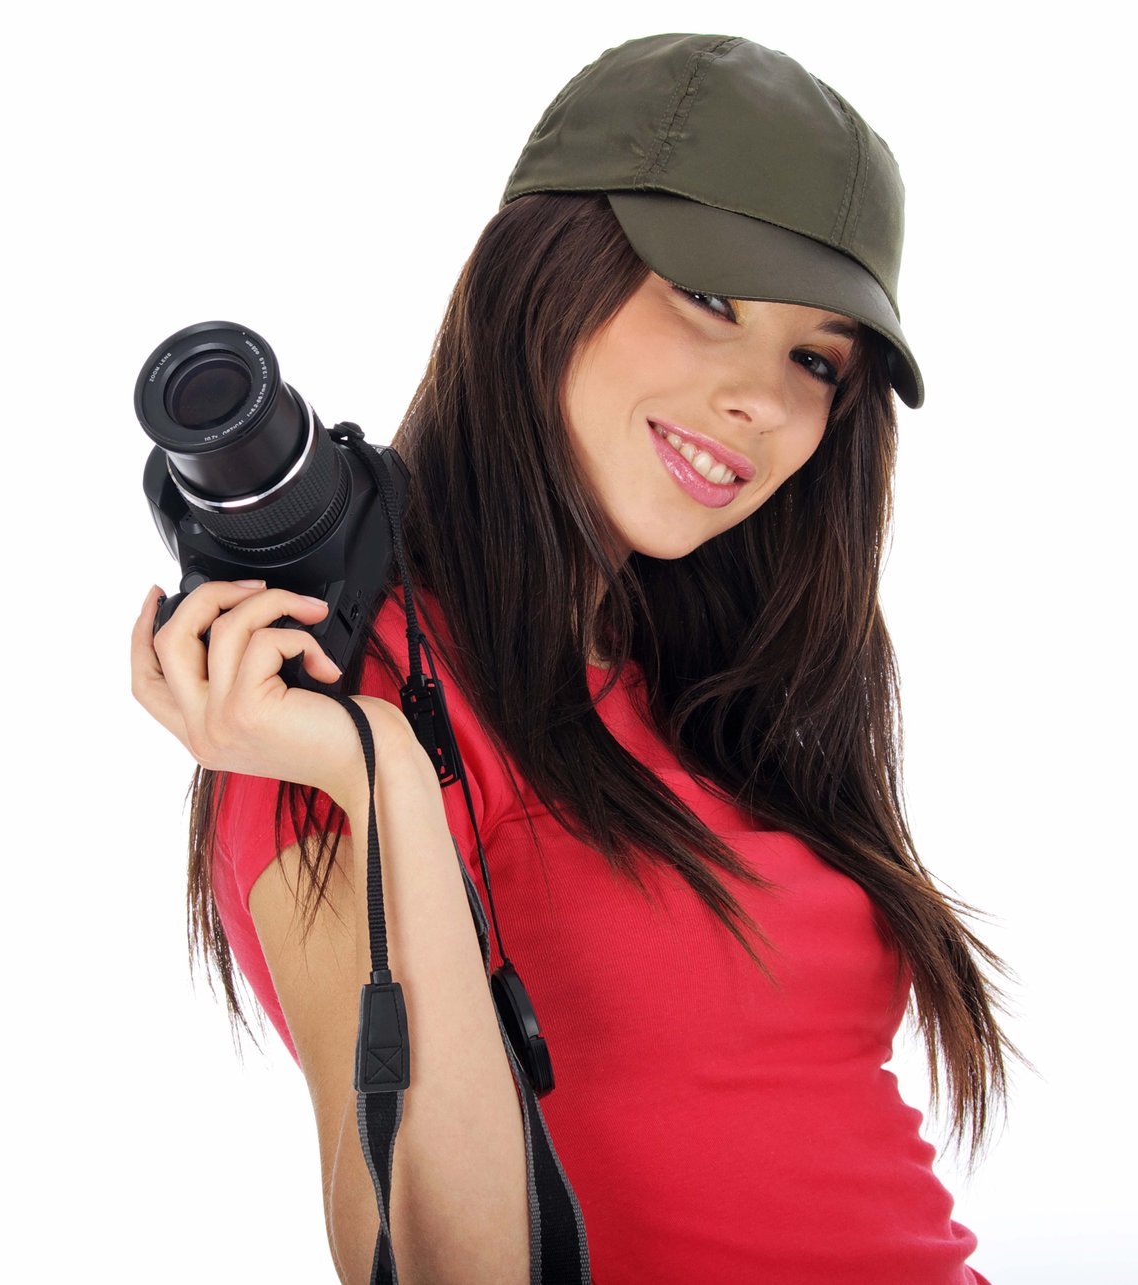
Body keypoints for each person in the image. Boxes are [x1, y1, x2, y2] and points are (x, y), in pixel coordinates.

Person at [130, 33, 1017, 1285]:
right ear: (545, 271)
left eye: (817, 361)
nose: (763, 399)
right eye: (711, 298)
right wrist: (381, 777)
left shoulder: (700, 696)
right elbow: (445, 1265)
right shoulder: (339, 702)